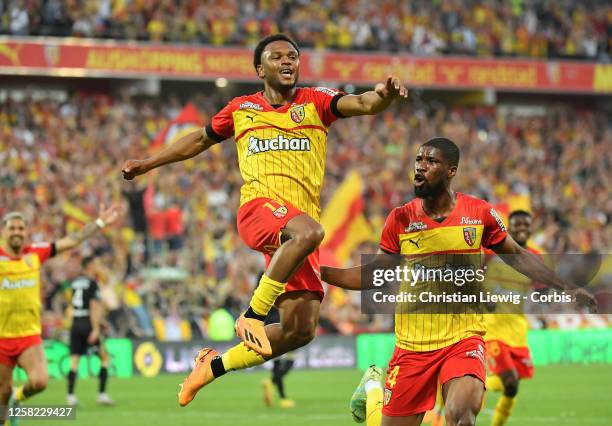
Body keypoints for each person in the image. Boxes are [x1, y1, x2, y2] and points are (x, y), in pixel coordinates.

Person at [121, 33, 407, 407]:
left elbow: (364, 102)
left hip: (295, 232)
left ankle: (213, 365)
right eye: (277, 57)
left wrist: (382, 96)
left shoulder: (316, 102)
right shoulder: (241, 109)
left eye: (293, 56)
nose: (288, 62)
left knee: (300, 329)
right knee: (312, 232)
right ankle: (253, 314)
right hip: (260, 210)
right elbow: (198, 140)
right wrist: (148, 163)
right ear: (260, 69)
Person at [320, 138, 595, 426]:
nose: (421, 167)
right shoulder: (400, 219)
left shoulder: (479, 214)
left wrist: (567, 287)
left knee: (461, 416)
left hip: (463, 337)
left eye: (431, 161)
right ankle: (374, 388)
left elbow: (516, 255)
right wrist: (323, 272)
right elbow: (372, 273)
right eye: (419, 160)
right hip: (412, 345)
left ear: (451, 171)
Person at [0, 205, 121, 425]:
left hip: (29, 336)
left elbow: (72, 240)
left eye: (20, 228)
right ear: (3, 232)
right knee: (2, 393)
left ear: (26, 232)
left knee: (39, 382)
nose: (16, 232)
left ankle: (18, 399)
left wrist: (100, 223)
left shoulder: (35, 253)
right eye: (12, 228)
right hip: (1, 337)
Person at [483, 210, 539, 426]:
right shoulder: (491, 252)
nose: (522, 228)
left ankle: (474, 383)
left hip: (518, 329)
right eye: (517, 224)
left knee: (512, 388)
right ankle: (466, 384)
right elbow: (470, 274)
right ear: (509, 228)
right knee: (510, 379)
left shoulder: (534, 257)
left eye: (526, 224)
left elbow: (545, 285)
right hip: (493, 327)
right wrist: (481, 296)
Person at [67, 255, 115, 407]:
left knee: (74, 362)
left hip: (75, 323)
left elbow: (76, 305)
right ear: (89, 266)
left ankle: (71, 397)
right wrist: (95, 328)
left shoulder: (74, 283)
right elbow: (94, 307)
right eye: (95, 264)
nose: (97, 266)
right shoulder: (92, 284)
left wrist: (101, 322)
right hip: (88, 325)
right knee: (104, 358)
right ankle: (102, 394)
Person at [262, 306, 295, 409]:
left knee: (277, 366)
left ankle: (283, 398)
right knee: (290, 361)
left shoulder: (264, 303)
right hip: (281, 334)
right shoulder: (279, 301)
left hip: (268, 335)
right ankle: (271, 382)